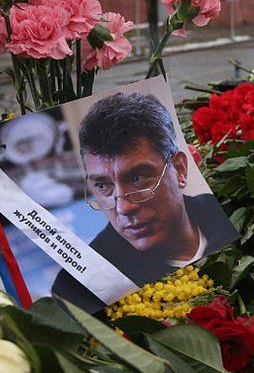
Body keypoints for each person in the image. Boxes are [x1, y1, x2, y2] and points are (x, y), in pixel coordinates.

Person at [52, 91, 236, 309]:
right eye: (102, 185)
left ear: (179, 170)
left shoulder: (228, 210)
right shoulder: (79, 288)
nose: (123, 207)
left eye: (137, 178)